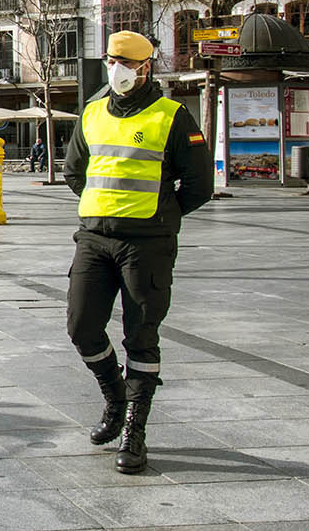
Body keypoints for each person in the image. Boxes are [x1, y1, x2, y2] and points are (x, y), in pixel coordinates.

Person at [62, 32, 213, 474]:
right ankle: (115, 396)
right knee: (81, 327)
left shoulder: (173, 116)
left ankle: (135, 430)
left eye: (127, 63)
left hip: (146, 244)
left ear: (147, 67)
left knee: (141, 336)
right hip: (94, 239)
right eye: (112, 61)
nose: (118, 70)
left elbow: (199, 185)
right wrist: (101, 208)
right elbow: (76, 171)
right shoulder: (91, 112)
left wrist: (160, 217)